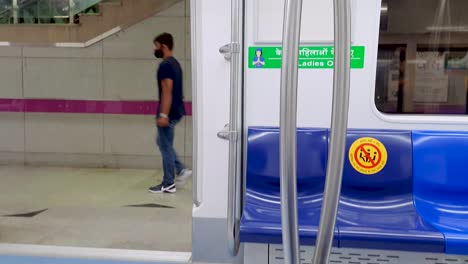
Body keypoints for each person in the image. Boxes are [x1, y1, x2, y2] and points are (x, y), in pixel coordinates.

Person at [149, 32, 192, 194]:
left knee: (165, 146)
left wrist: (163, 115)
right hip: (177, 110)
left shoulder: (165, 65)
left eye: (156, 46)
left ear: (164, 46)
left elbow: (167, 90)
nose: (155, 49)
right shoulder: (175, 64)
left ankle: (168, 183)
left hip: (169, 112)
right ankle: (180, 169)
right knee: (162, 142)